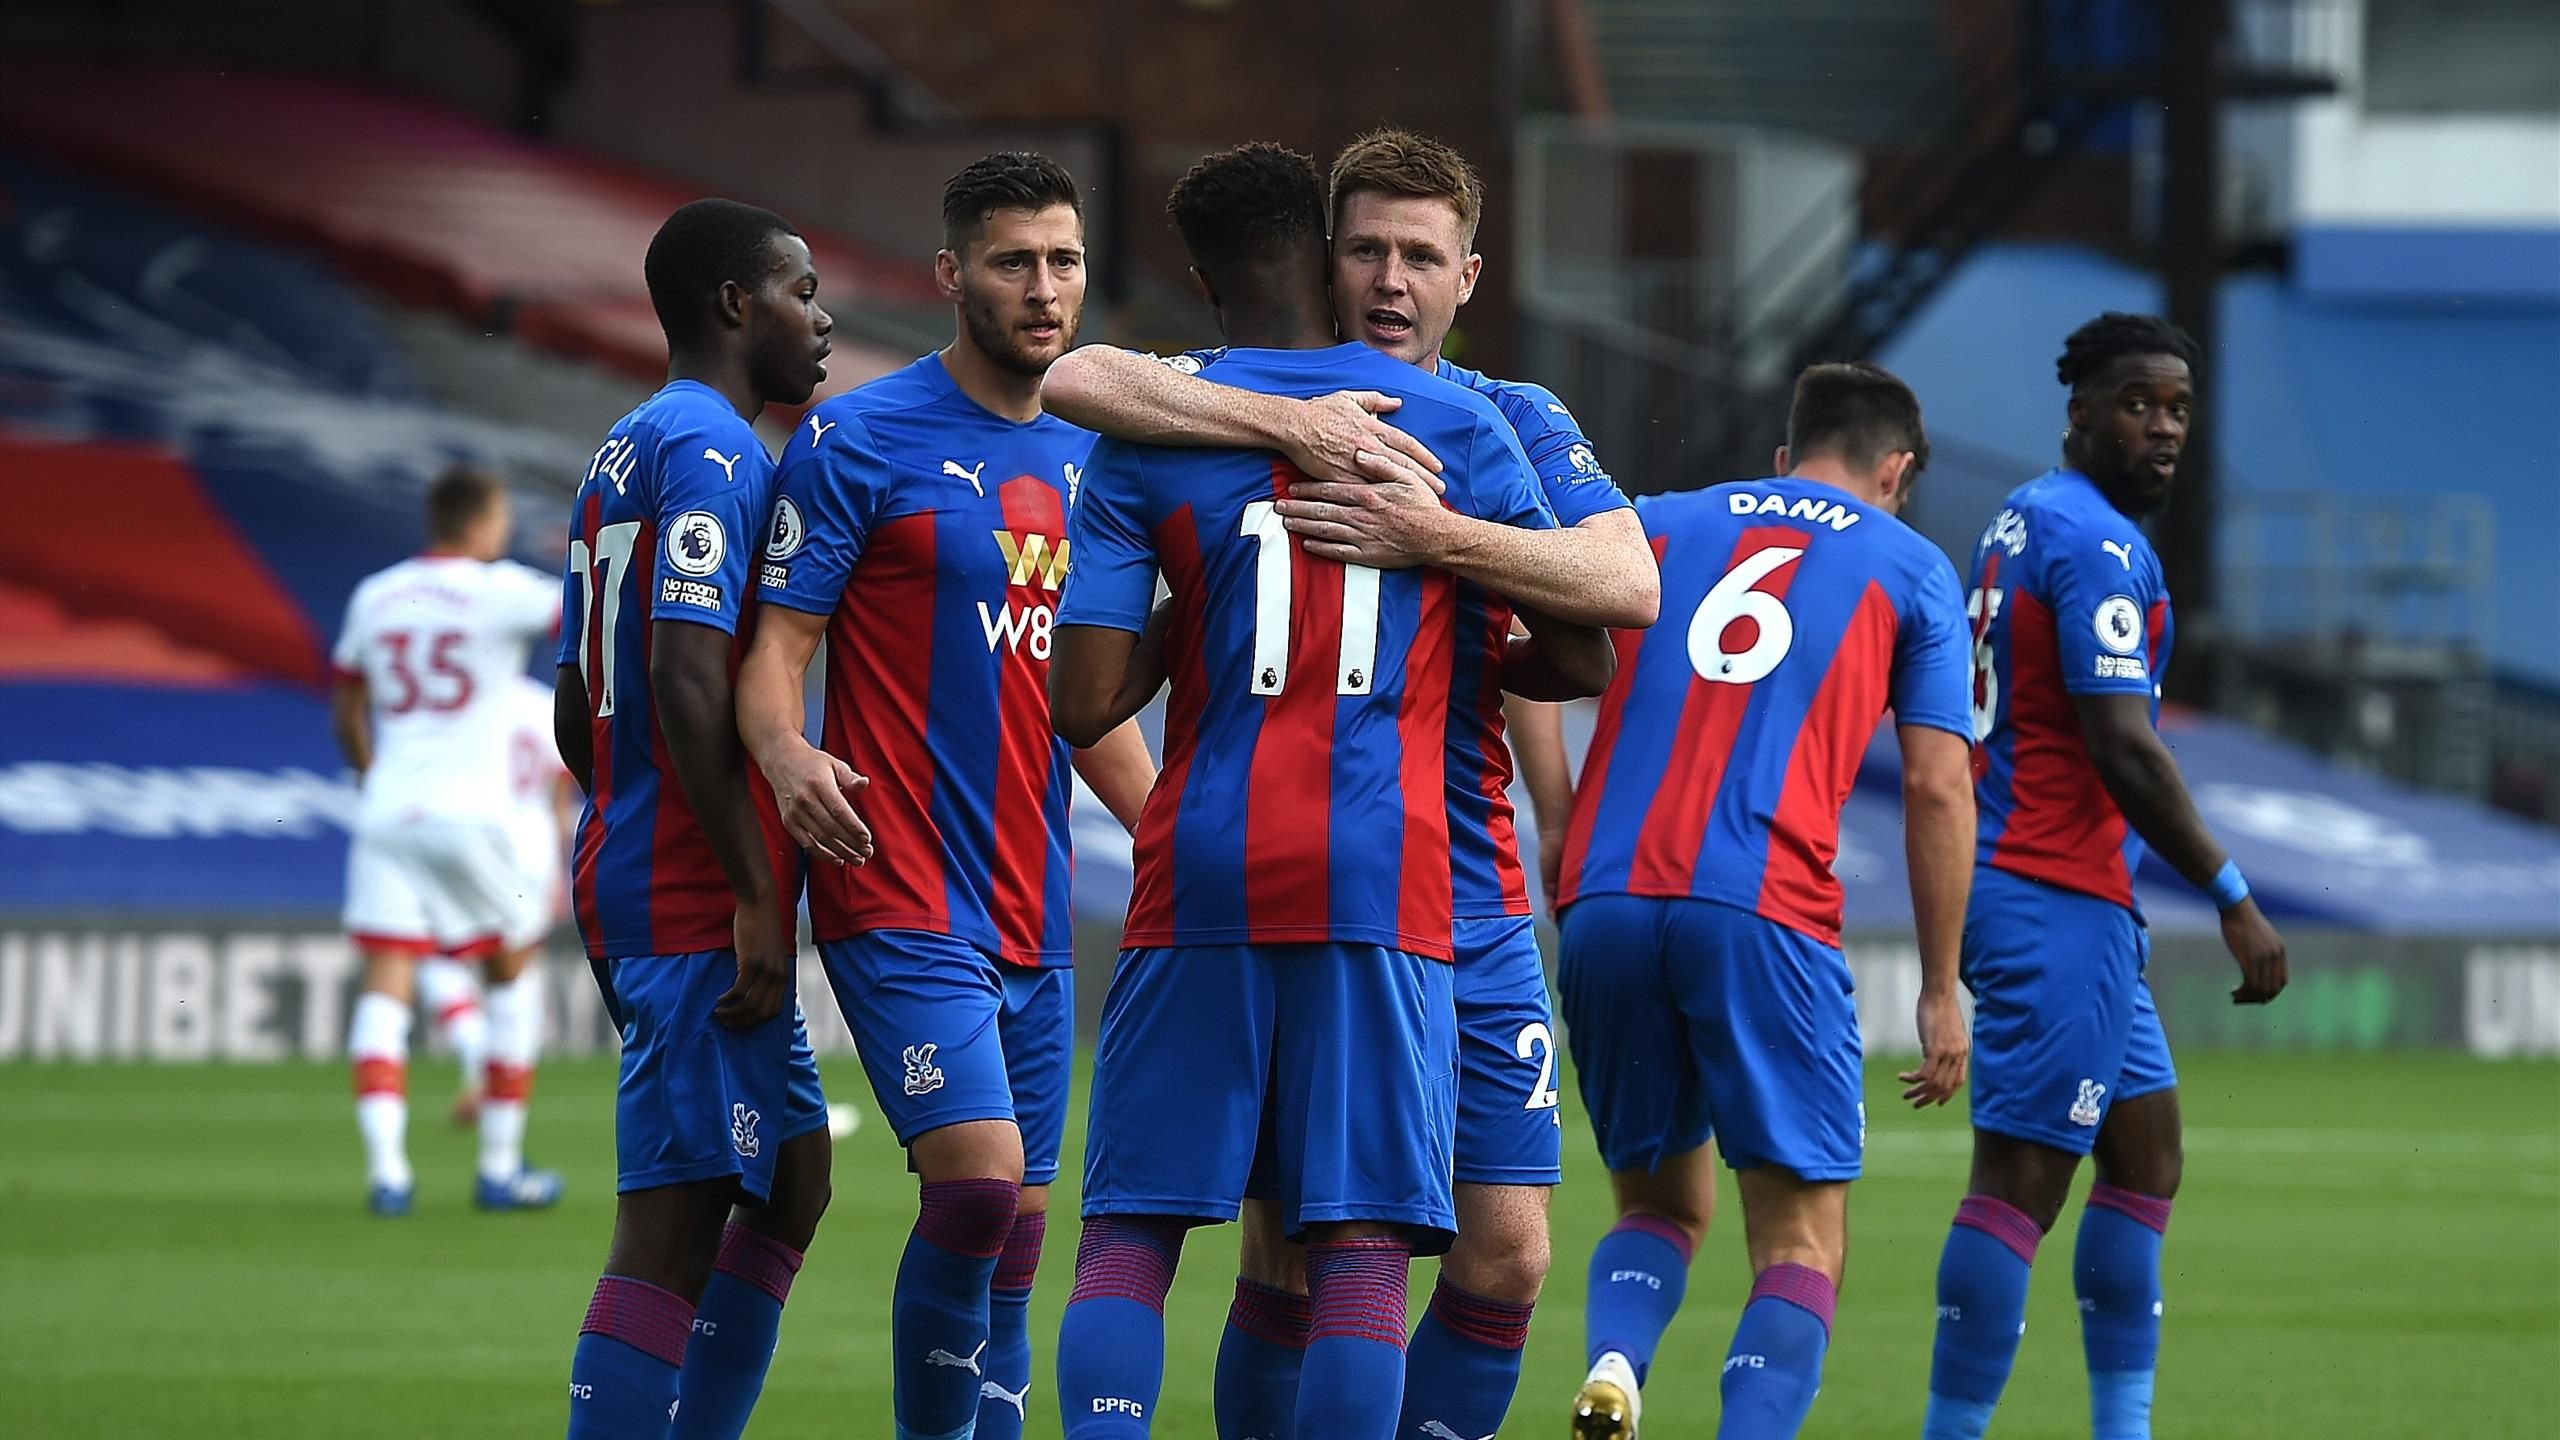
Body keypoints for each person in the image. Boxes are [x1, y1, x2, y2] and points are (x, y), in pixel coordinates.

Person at [1040, 126, 1658, 1440]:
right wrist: (1288, 423)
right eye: (1366, 249)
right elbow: (1086, 373)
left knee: (1504, 1252)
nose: (1390, 278)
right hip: (1383, 876)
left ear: (1467, 275)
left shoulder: (1512, 417)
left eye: (1419, 256)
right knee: (1318, 1249)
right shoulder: (1250, 407)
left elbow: (1617, 599)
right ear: (1323, 261)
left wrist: (1438, 543)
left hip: (1458, 893)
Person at [736, 151, 1156, 1440]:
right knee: (975, 1194)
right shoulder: (859, 437)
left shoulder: (1106, 456)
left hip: (1029, 897)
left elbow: (1079, 706)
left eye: (1064, 262)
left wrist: (1178, 837)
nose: (1043, 289)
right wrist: (787, 754)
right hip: (895, 880)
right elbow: (774, 657)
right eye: (1013, 262)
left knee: (1022, 1231)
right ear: (950, 275)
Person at [1536, 362, 1976, 1439]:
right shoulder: (1909, 565)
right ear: (1897, 470)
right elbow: (1935, 782)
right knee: (1799, 1238)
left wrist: (1556, 819)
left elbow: (1523, 646)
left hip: (1605, 895)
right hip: (1760, 905)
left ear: (1784, 457)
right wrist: (1940, 982)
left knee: (1656, 1204)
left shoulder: (1651, 521)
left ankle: (1612, 1363)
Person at [1921, 313, 2287, 1440]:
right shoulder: (2096, 545)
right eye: (2137, 404)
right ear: (2080, 410)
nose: (2163, 428)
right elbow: (2124, 744)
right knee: (2019, 1186)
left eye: (2178, 407)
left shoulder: (2025, 515)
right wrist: (2233, 897)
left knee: (2146, 1152)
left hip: (2063, 890)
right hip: (2046, 891)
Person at [555, 197, 838, 1440]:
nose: (824, 320)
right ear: (736, 304)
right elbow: (680, 674)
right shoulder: (715, 451)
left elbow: (577, 699)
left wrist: (620, 806)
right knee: (670, 1229)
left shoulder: (625, 444)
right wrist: (748, 888)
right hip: (687, 893)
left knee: (788, 1180)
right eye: (801, 290)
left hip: (640, 857)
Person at [329, 464, 564, 1215]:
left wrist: (372, 778)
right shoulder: (502, 591)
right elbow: (591, 616)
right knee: (512, 973)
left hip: (387, 811)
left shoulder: (375, 593)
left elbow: (347, 702)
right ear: (483, 522)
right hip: (471, 813)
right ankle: (500, 1169)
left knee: (387, 981)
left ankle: (388, 1173)